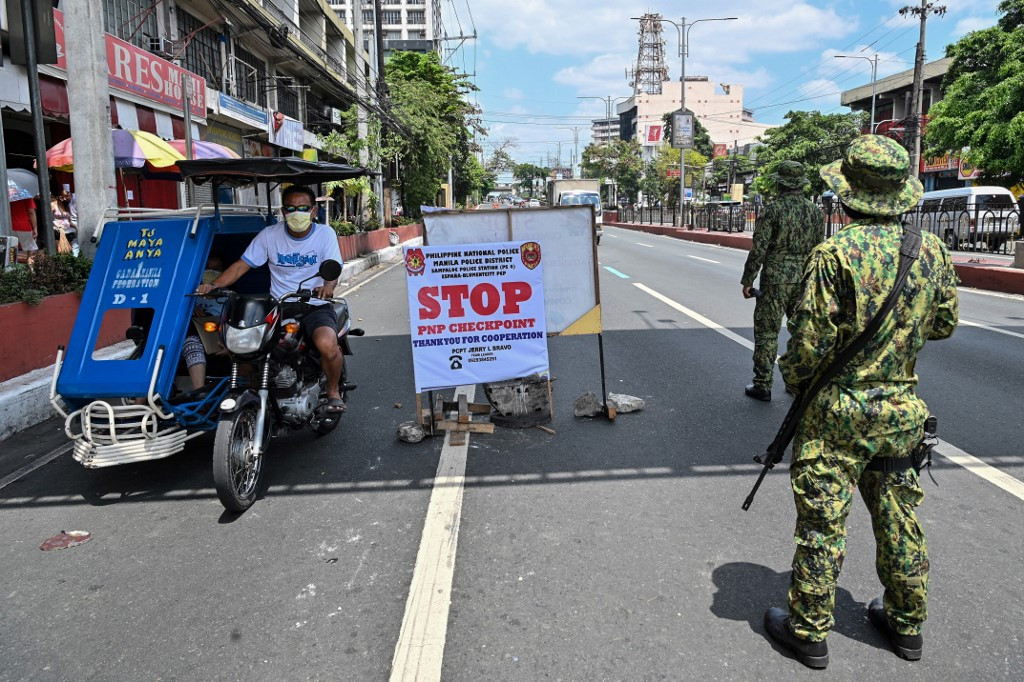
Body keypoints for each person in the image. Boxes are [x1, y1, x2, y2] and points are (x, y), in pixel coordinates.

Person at [763, 135, 959, 669]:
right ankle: (907, 624)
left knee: (823, 523)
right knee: (899, 516)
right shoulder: (931, 251)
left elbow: (807, 348)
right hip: (900, 412)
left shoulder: (833, 255)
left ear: (847, 194)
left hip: (837, 416)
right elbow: (944, 324)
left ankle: (809, 631)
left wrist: (795, 382)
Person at [197, 186, 347, 413]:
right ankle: (261, 392)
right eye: (291, 208)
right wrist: (214, 285)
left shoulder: (325, 234)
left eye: (303, 208)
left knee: (327, 345)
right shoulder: (270, 235)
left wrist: (327, 287)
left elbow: (333, 268)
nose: (297, 213)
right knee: (246, 348)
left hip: (314, 305)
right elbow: (241, 266)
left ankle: (334, 392)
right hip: (280, 305)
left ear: (314, 211)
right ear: (283, 211)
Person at [740, 160, 824, 401]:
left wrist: (748, 279)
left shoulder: (773, 210)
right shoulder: (815, 212)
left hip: (775, 280)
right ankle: (798, 382)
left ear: (780, 184)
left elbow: (759, 248)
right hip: (804, 279)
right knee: (802, 332)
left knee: (767, 333)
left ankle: (762, 384)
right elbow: (819, 249)